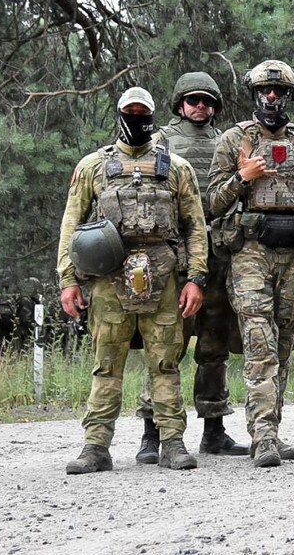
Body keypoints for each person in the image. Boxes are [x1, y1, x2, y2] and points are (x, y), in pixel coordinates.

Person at [57, 87, 208, 474]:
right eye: (131, 112)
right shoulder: (93, 166)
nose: (137, 119)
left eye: (143, 113)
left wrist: (196, 278)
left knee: (166, 363)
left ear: (153, 116)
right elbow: (71, 225)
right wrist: (67, 280)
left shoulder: (176, 168)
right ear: (120, 114)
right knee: (107, 364)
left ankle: (172, 442)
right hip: (108, 277)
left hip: (162, 277)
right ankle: (95, 447)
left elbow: (195, 227)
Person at [208, 60, 294, 468]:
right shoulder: (233, 140)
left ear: (289, 96)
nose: (271, 97)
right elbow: (211, 202)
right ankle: (263, 436)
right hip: (252, 252)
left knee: (284, 343)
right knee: (259, 342)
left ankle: (270, 425)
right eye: (264, 91)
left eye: (278, 92)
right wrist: (242, 177)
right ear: (254, 93)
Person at [133, 72, 248, 464]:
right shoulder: (160, 141)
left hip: (218, 255)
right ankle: (153, 433)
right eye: (193, 100)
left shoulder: (226, 144)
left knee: (214, 347)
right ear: (180, 103)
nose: (200, 107)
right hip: (173, 257)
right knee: (166, 346)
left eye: (207, 101)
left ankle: (214, 430)